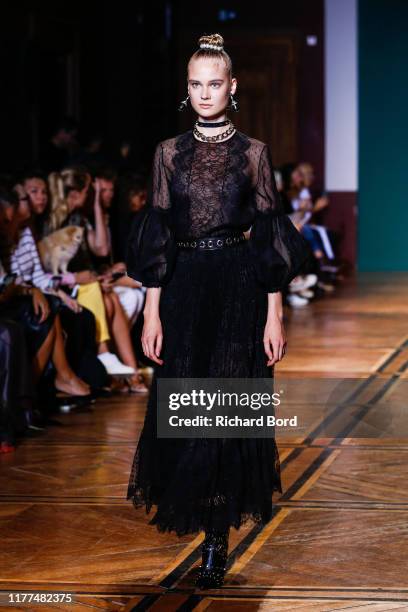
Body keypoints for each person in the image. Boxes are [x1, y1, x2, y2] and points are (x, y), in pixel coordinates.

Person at [125, 33, 312, 589]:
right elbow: (157, 235)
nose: (205, 93)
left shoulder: (254, 154)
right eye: (195, 85)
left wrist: (274, 313)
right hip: (182, 286)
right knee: (186, 406)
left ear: (232, 87)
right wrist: (151, 311)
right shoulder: (168, 153)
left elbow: (269, 238)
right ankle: (197, 511)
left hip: (238, 287)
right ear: (188, 90)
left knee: (226, 410)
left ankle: (216, 538)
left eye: (214, 84)